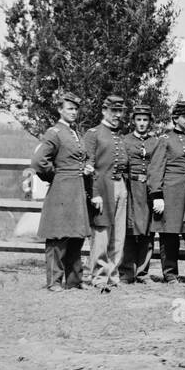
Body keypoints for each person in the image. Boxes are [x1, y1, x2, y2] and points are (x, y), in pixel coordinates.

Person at [30, 90, 92, 291]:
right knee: (58, 236)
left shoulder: (75, 133)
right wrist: (55, 177)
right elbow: (39, 162)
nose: (73, 112)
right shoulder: (54, 133)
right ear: (60, 110)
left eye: (76, 109)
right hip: (61, 190)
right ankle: (54, 282)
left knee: (76, 235)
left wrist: (85, 168)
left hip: (77, 190)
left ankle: (74, 281)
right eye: (69, 108)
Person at [82, 94, 129, 292]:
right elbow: (89, 165)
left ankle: (112, 275)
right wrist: (94, 193)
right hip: (102, 188)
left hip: (120, 187)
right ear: (104, 111)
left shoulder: (119, 135)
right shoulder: (94, 134)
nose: (117, 115)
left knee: (118, 235)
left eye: (120, 111)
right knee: (101, 234)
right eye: (113, 111)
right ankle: (98, 277)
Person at [148, 99, 185, 284]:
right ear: (175, 118)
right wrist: (157, 195)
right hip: (172, 194)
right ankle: (170, 275)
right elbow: (155, 169)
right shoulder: (165, 140)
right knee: (169, 236)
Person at [119, 102, 158, 283]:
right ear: (133, 121)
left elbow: (158, 165)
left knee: (147, 231)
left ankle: (143, 272)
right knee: (129, 229)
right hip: (130, 189)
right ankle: (127, 271)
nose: (142, 123)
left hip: (148, 189)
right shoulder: (125, 140)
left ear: (150, 122)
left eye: (145, 120)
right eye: (139, 119)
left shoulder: (155, 142)